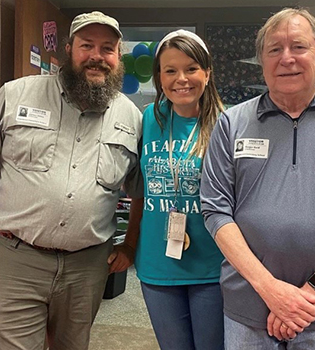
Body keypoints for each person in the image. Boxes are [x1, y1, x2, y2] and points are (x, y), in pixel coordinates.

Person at [200, 8, 315, 350]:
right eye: (274, 49)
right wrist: (271, 290)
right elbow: (215, 210)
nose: (286, 58)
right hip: (248, 304)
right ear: (262, 61)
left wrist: (310, 293)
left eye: (299, 46)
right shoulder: (232, 123)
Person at [0, 11, 142, 350]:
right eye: (87, 46)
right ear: (68, 50)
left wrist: (130, 244)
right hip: (17, 260)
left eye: (107, 48)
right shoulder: (16, 94)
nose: (97, 56)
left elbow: (141, 188)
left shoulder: (131, 116)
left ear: (118, 56)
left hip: (88, 266)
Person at [108, 30, 225, 350]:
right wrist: (130, 243)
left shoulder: (225, 124)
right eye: (170, 70)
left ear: (207, 72)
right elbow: (139, 191)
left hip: (212, 266)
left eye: (191, 69)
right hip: (157, 263)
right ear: (159, 76)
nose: (181, 79)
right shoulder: (150, 118)